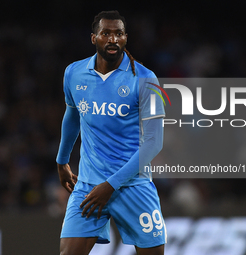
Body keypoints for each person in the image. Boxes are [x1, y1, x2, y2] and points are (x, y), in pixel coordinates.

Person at [56, 10, 166, 255]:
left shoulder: (146, 79)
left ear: (126, 38)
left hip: (133, 185)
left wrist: (110, 185)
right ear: (94, 38)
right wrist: (62, 161)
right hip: (87, 185)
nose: (113, 39)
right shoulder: (73, 73)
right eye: (106, 33)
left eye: (118, 34)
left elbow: (154, 142)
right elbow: (72, 115)